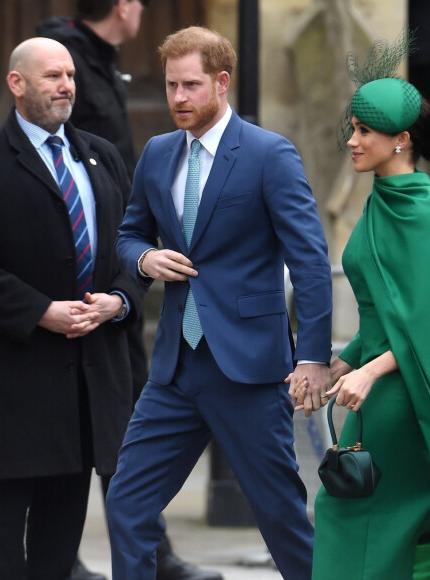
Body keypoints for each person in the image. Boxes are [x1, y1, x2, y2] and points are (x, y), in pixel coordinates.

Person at [105, 26, 333, 580]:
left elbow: (310, 262)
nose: (178, 98)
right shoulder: (158, 153)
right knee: (126, 503)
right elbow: (128, 234)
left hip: (250, 370)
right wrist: (143, 260)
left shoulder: (268, 154)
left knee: (280, 517)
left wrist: (312, 357)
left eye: (190, 85)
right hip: (175, 372)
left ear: (222, 82)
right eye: (170, 86)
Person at [0, 36, 144, 579]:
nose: (67, 86)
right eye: (53, 76)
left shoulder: (103, 156)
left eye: (71, 76)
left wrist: (119, 300)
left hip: (87, 384)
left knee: (61, 538)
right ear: (17, 83)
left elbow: (133, 246)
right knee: (4, 539)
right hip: (13, 384)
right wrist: (39, 311)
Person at [37, 5, 223, 580]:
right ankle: (58, 555)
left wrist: (131, 270)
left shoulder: (97, 61)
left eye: (188, 84)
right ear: (123, 6)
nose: (63, 85)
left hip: (120, 279)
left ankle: (149, 552)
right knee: (71, 425)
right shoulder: (67, 59)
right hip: (81, 287)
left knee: (127, 424)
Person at [291, 53, 430, 579]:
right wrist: (337, 365)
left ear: (402, 139)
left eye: (365, 130)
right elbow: (381, 315)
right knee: (381, 521)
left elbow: (423, 323)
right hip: (375, 395)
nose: (352, 140)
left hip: (404, 398)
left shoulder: (419, 211)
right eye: (352, 128)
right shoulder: (381, 201)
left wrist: (370, 370)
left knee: (361, 517)